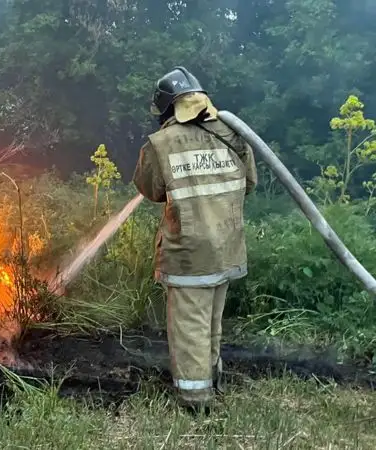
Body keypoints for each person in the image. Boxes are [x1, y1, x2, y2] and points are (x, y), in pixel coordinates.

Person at [132, 66, 257, 414]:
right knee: (212, 322)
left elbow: (150, 189)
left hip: (189, 252)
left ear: (167, 108)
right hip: (227, 246)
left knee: (190, 327)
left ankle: (195, 400)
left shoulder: (161, 143)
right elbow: (249, 184)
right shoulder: (233, 133)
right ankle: (214, 382)